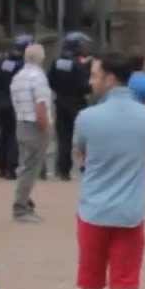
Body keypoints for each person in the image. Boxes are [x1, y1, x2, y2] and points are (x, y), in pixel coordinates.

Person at [73, 52, 145, 289]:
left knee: (89, 286)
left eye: (95, 75)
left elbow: (80, 154)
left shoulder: (86, 117)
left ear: (110, 79)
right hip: (129, 213)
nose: (91, 81)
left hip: (93, 210)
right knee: (121, 288)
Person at [10, 43, 53, 224]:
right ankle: (20, 207)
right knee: (31, 168)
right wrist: (46, 126)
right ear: (41, 58)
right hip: (35, 126)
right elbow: (40, 104)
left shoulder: (18, 77)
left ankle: (24, 199)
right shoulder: (38, 77)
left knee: (24, 165)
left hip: (21, 123)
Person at [49, 33, 93, 181]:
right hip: (77, 103)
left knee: (63, 138)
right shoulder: (78, 65)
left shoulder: (57, 62)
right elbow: (84, 86)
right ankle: (85, 167)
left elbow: (51, 80)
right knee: (86, 137)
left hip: (61, 102)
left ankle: (63, 171)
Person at [0, 36, 30, 181]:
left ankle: (1, 167)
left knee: (4, 135)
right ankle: (11, 169)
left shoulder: (5, 62)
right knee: (14, 137)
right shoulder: (23, 65)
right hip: (16, 103)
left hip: (2, 102)